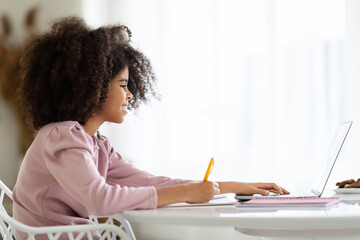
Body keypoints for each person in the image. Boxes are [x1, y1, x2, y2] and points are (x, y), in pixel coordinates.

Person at [13, 16, 289, 237]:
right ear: (92, 87)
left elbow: (152, 182)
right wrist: (186, 193)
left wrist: (236, 186)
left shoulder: (97, 145)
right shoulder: (62, 137)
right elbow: (100, 199)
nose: (130, 94)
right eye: (123, 85)